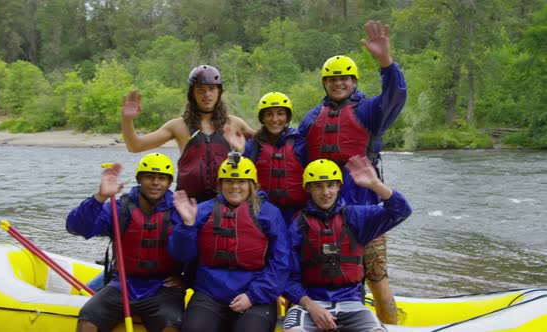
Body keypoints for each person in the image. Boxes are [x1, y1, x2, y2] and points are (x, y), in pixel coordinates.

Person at [298, 20, 407, 323]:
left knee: (378, 279)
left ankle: (389, 327)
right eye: (332, 80)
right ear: (324, 83)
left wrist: (385, 61)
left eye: (345, 78)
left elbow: (396, 95)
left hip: (365, 214)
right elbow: (290, 153)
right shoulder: (311, 118)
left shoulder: (370, 111)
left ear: (354, 81)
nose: (339, 83)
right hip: (322, 218)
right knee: (324, 276)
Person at [282, 157, 412, 331]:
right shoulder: (298, 225)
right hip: (311, 303)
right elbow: (288, 278)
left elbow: (401, 211)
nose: (325, 192)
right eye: (318, 186)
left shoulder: (356, 217)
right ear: (308, 189)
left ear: (338, 186)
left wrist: (375, 185)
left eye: (330, 185)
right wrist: (312, 307)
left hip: (351, 303)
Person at [169, 153, 290, 332]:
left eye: (241, 181)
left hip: (254, 296)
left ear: (252, 185)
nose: (235, 187)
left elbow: (281, 263)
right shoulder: (201, 211)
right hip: (210, 294)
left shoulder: (269, 215)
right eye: (229, 181)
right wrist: (187, 226)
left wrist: (253, 295)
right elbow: (181, 254)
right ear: (220, 185)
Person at [66, 153, 185, 332]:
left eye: (162, 178)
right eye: (149, 177)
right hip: (122, 284)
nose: (155, 182)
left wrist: (187, 280)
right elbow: (77, 228)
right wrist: (100, 197)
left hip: (163, 287)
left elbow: (197, 250)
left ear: (169, 183)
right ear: (139, 179)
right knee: (87, 322)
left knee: (171, 325)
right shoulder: (119, 208)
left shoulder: (180, 211)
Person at [121, 65, 256, 202]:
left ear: (219, 92)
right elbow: (135, 146)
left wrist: (242, 151)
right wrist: (127, 120)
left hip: (223, 203)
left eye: (211, 89)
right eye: (200, 90)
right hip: (188, 205)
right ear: (192, 94)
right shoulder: (178, 126)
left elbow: (269, 141)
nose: (207, 95)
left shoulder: (234, 123)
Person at [244, 92, 307, 223]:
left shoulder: (300, 143)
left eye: (280, 113)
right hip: (263, 213)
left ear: (287, 117)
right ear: (262, 118)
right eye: (269, 114)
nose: (275, 119)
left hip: (297, 213)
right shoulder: (252, 146)